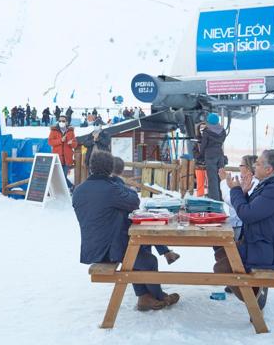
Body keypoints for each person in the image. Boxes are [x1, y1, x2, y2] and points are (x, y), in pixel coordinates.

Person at [73, 151, 180, 311]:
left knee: (139, 250)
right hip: (109, 249)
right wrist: (119, 183)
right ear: (110, 170)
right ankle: (159, 297)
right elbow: (134, 201)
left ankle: (144, 297)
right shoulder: (111, 189)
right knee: (148, 261)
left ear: (90, 167)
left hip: (93, 246)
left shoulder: (79, 190)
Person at [214, 149, 274, 309]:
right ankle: (255, 290)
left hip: (272, 253)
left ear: (269, 170)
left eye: (259, 163)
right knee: (222, 252)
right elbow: (255, 211)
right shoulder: (271, 186)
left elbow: (247, 215)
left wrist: (236, 190)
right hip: (263, 244)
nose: (255, 165)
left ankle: (254, 299)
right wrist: (245, 194)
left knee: (221, 267)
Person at [111, 157, 180, 265]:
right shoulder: (117, 186)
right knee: (145, 232)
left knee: (145, 227)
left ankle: (163, 254)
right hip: (121, 231)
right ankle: (159, 257)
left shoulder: (111, 185)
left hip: (120, 226)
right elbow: (133, 205)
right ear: (122, 170)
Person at [219, 155, 259, 241]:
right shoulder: (247, 181)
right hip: (238, 224)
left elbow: (231, 200)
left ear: (248, 168)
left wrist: (223, 181)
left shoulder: (254, 183)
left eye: (241, 165)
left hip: (240, 226)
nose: (239, 167)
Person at [200, 113, 226, 201]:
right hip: (220, 155)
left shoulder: (207, 131)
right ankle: (222, 198)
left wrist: (200, 156)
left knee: (212, 179)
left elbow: (203, 145)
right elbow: (222, 141)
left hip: (210, 156)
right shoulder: (223, 130)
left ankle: (214, 201)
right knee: (221, 178)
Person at [47, 116, 77, 189]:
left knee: (63, 177)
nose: (61, 122)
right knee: (60, 177)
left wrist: (71, 143)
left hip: (67, 159)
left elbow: (75, 144)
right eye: (60, 121)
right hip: (58, 158)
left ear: (66, 122)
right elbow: (50, 142)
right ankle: (72, 187)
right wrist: (60, 140)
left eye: (63, 121)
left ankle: (71, 189)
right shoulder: (54, 130)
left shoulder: (70, 131)